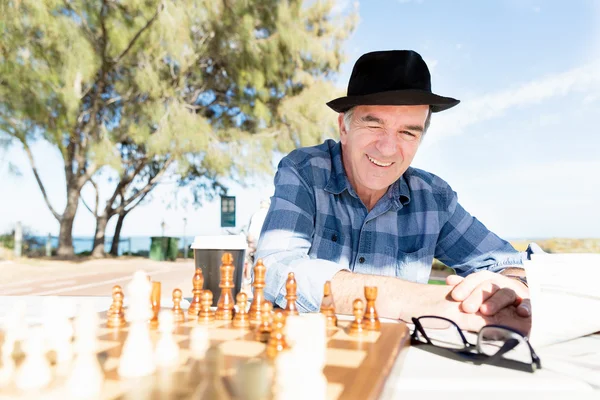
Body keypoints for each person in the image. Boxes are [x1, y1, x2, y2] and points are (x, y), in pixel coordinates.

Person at [255, 50, 531, 334]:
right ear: (344, 128)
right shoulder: (303, 171)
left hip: (397, 364)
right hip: (304, 359)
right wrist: (411, 299)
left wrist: (512, 284)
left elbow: (511, 263)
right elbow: (275, 269)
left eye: (408, 133)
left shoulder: (434, 198)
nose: (387, 149)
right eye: (374, 124)